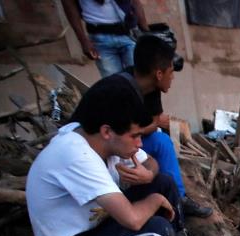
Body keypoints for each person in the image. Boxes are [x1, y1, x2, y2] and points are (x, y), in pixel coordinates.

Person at [26, 75, 211, 236]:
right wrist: (154, 200)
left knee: (164, 182)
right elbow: (132, 220)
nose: (140, 144)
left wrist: (149, 175)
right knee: (157, 232)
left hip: (100, 222)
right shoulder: (76, 155)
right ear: (107, 132)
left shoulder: (100, 136)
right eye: (135, 136)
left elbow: (151, 162)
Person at [71, 34, 212, 218]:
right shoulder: (119, 92)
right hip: (98, 150)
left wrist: (142, 144)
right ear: (159, 74)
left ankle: (179, 199)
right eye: (171, 72)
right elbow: (126, 133)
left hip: (119, 141)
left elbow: (152, 124)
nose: (172, 78)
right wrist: (145, 131)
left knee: (161, 141)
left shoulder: (149, 86)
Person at [61, 0, 149, 77]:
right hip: (99, 38)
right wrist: (83, 40)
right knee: (113, 85)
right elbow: (69, 4)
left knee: (141, 79)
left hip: (130, 33)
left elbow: (135, 2)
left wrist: (146, 33)